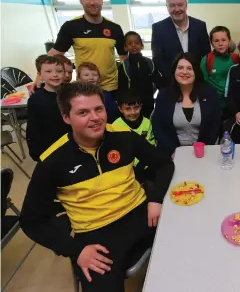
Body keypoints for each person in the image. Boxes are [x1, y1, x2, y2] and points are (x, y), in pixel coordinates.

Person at [20, 82, 174, 292]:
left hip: (142, 214)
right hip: (97, 236)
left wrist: (155, 198)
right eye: (83, 112)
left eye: (98, 109)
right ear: (66, 117)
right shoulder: (52, 161)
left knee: (191, 250)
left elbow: (164, 163)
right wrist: (75, 250)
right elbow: (31, 221)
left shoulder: (124, 137)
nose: (95, 118)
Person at [46, 0, 127, 93]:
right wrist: (40, 76)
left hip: (111, 87)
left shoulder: (115, 28)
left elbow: (124, 57)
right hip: (85, 88)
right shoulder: (71, 26)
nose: (92, 2)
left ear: (101, 0)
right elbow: (53, 55)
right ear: (81, 0)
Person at [152, 52, 221, 157]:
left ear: (196, 72)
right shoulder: (163, 95)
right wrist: (174, 152)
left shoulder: (209, 93)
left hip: (204, 153)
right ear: (174, 71)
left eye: (189, 68)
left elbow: (214, 125)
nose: (184, 72)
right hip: (173, 155)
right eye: (180, 68)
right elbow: (158, 128)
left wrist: (202, 150)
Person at [152, 0, 211, 84]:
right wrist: (175, 78)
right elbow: (158, 59)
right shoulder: (158, 28)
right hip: (171, 83)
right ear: (167, 7)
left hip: (197, 82)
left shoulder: (200, 26)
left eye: (180, 5)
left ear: (186, 5)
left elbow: (206, 55)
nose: (176, 9)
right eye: (172, 5)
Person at [27, 55, 69, 161]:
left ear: (64, 73)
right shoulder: (35, 100)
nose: (55, 75)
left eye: (59, 71)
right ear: (39, 75)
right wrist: (36, 153)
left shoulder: (72, 93)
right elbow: (33, 129)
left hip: (73, 145)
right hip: (50, 150)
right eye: (48, 71)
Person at [118, 31, 163, 119]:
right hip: (132, 105)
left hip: (148, 102)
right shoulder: (124, 66)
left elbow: (158, 81)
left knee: (148, 123)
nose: (134, 45)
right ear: (125, 47)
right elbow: (121, 87)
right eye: (130, 43)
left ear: (142, 46)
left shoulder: (149, 62)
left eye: (137, 43)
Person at [200, 26, 239, 113]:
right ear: (212, 43)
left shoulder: (236, 58)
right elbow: (202, 84)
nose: (220, 44)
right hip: (212, 105)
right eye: (216, 41)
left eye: (223, 40)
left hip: (232, 105)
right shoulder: (207, 60)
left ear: (229, 40)